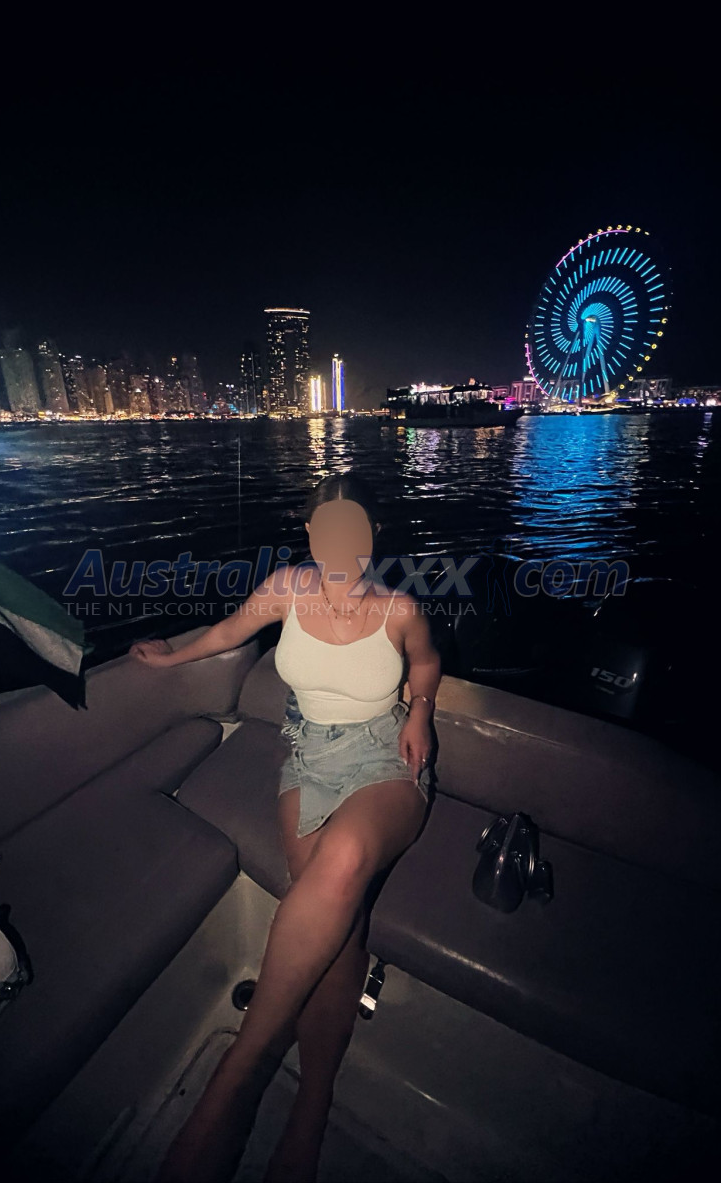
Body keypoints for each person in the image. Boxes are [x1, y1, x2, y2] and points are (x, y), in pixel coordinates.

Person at [131, 470, 441, 1182]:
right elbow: (228, 631)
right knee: (337, 924)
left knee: (344, 860)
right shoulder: (284, 590)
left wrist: (421, 712)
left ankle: (236, 1075)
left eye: (355, 532)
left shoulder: (398, 608)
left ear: (372, 537)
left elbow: (426, 663)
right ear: (309, 535)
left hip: (385, 758)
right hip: (308, 760)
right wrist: (170, 656)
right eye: (328, 531)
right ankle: (314, 1101)